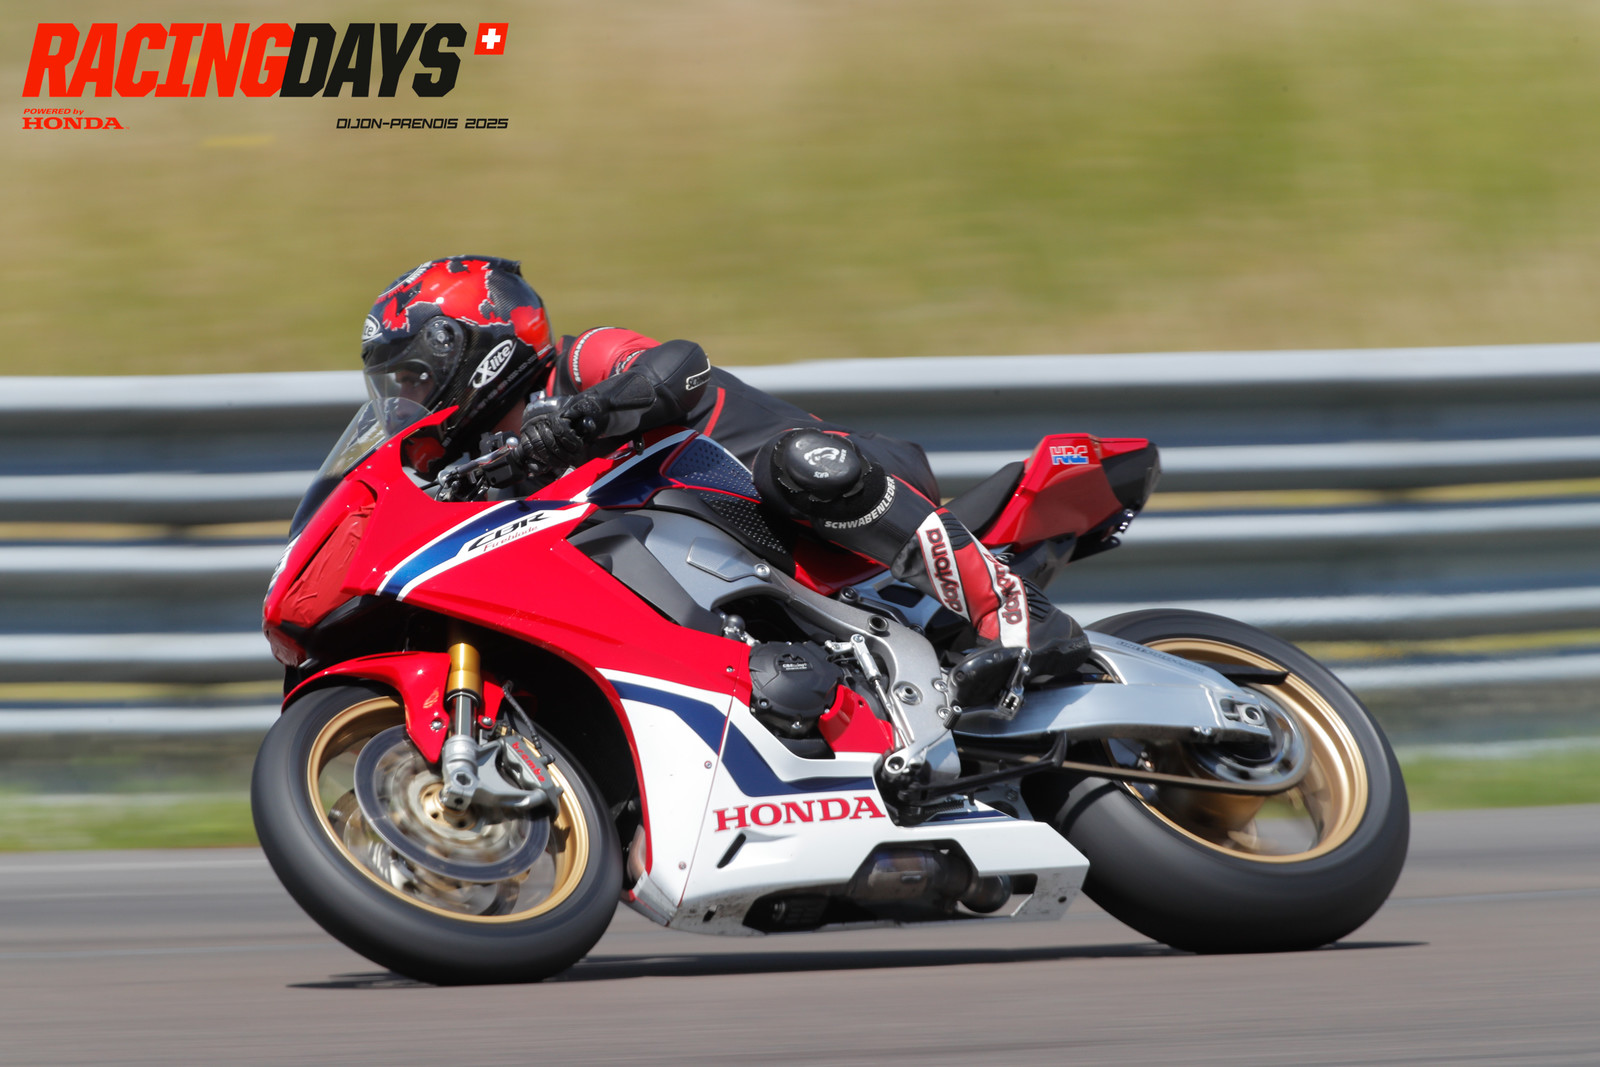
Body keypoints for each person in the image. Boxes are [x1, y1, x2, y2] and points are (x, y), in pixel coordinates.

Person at [359, 255, 1089, 709]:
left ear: (474, 345)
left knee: (802, 461)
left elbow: (679, 364)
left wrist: (585, 417)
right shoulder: (491, 466)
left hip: (813, 499)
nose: (407, 400)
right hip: (740, 579)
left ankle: (1015, 613)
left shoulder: (581, 363)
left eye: (414, 377)